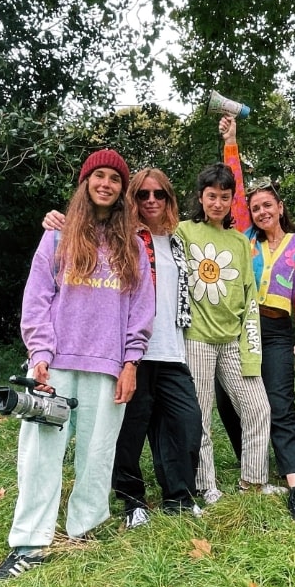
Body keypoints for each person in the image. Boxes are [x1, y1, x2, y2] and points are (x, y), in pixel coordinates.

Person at [0, 150, 155, 585]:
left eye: (115, 179)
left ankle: (83, 529)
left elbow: (141, 310)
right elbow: (37, 298)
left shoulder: (132, 245)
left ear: (121, 191)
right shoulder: (57, 237)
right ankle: (29, 544)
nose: (106, 184)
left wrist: (131, 362)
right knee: (40, 454)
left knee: (98, 455)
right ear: (85, 183)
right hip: (56, 364)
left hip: (109, 365)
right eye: (98, 176)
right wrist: (39, 355)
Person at [40, 168, 203, 527]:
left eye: (159, 194)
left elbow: (226, 217)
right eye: (143, 194)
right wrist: (56, 222)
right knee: (128, 430)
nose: (151, 201)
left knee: (185, 425)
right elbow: (81, 233)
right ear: (131, 198)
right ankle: (133, 502)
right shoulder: (123, 237)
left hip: (172, 349)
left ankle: (178, 496)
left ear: (169, 199)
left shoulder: (178, 241)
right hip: (131, 350)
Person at [215, 113, 295, 520]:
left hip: (277, 330)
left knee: (280, 404)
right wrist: (231, 142)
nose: (260, 211)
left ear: (280, 207)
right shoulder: (244, 238)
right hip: (242, 328)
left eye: (267, 205)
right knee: (228, 399)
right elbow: (234, 187)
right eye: (255, 207)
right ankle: (253, 468)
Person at [177, 161, 273, 503]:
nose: (218, 203)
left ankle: (254, 481)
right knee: (201, 415)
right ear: (201, 198)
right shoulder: (183, 232)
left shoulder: (238, 242)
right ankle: (207, 485)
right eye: (211, 196)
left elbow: (248, 296)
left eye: (225, 197)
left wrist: (250, 346)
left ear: (233, 201)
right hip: (197, 340)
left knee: (258, 409)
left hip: (234, 341)